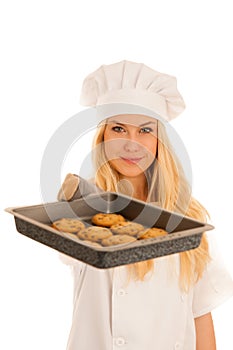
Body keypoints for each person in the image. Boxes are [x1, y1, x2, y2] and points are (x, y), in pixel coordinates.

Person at [58, 60, 233, 350]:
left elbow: (201, 316)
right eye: (118, 129)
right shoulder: (85, 209)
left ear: (158, 141)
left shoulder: (188, 218)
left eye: (144, 130)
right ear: (102, 137)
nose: (132, 144)